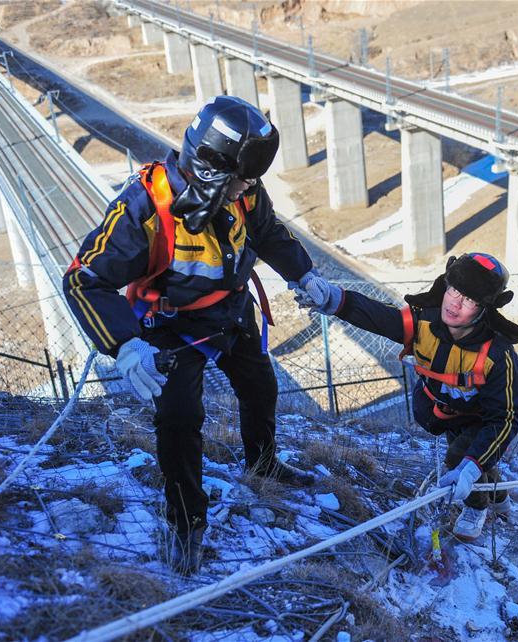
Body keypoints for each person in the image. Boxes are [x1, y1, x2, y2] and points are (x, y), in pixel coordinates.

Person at [63, 96, 334, 573]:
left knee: (260, 386)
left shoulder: (243, 190)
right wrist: (124, 346)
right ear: (212, 171)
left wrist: (303, 275)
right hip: (168, 326)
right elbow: (83, 277)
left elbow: (268, 231)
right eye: (244, 179)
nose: (250, 188)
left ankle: (263, 463)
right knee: (180, 420)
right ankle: (186, 522)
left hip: (230, 310)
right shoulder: (145, 207)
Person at [296, 253, 518, 541]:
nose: (455, 304)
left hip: (479, 419)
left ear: (485, 309)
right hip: (441, 411)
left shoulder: (497, 354)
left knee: (461, 459)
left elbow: (505, 419)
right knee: (476, 460)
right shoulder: (423, 322)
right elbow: (378, 317)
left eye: (469, 300)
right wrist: (335, 300)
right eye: (453, 290)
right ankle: (499, 496)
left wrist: (468, 469)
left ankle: (477, 507)